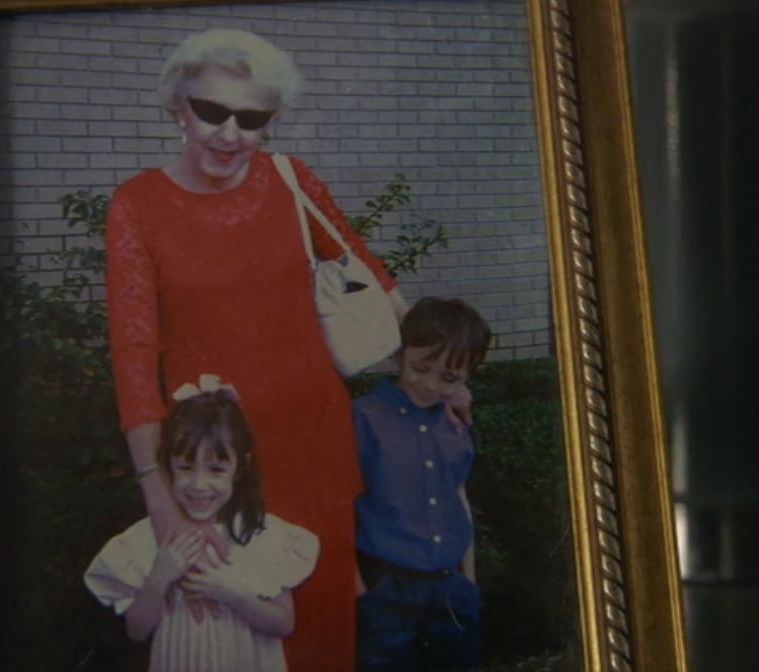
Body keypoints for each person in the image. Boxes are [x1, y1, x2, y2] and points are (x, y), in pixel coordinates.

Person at [104, 28, 472, 672]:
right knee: (233, 634)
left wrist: (447, 374)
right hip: (216, 463)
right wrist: (157, 491)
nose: (229, 134)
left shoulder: (289, 178)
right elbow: (134, 351)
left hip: (313, 441)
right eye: (212, 111)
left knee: (323, 619)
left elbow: (367, 270)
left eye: (251, 119)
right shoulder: (137, 205)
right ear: (179, 108)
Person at [83, 377, 320, 672]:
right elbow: (137, 630)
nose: (199, 484)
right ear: (168, 465)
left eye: (216, 469)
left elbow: (283, 623)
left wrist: (233, 593)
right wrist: (159, 577)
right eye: (185, 467)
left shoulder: (261, 535)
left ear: (240, 468)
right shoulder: (153, 537)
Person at [353, 297, 493, 672]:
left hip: (451, 590)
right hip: (385, 590)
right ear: (401, 354)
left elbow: (458, 494)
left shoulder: (454, 425)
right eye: (420, 368)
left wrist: (469, 580)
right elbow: (338, 507)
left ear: (467, 377)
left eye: (449, 378)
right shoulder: (362, 418)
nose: (430, 385)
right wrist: (361, 592)